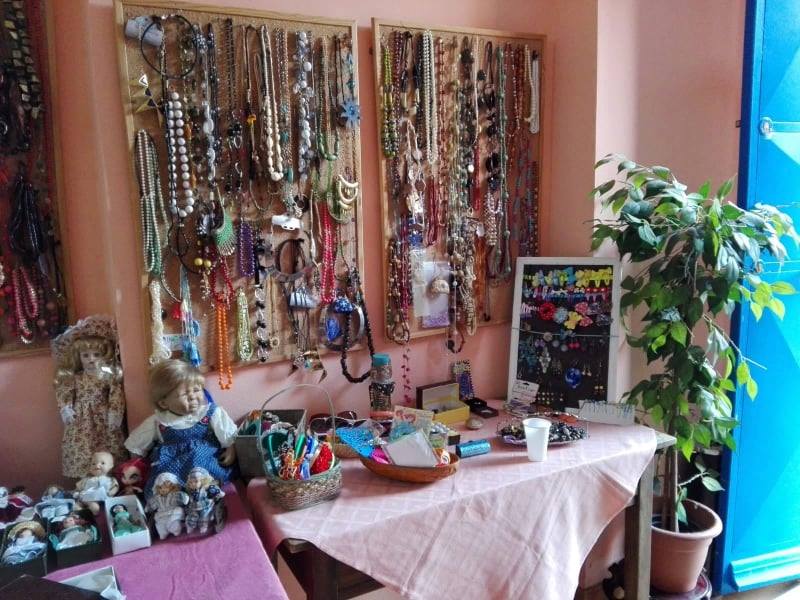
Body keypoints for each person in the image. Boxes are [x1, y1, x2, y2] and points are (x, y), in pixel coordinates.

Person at [125, 360, 237, 498]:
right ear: (164, 403)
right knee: (164, 481)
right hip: (172, 465)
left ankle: (205, 492)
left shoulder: (210, 413)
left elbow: (228, 436)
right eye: (184, 394)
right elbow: (136, 445)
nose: (193, 397)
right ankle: (174, 500)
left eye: (196, 390)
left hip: (205, 462)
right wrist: (135, 465)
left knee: (197, 456)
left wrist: (230, 449)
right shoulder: (160, 421)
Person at [52, 316, 127, 478]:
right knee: (83, 446)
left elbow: (115, 394)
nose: (91, 359)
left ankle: (110, 478)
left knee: (108, 444)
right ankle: (85, 480)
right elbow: (64, 392)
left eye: (96, 354)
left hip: (103, 416)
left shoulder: (108, 376)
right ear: (79, 357)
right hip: (81, 419)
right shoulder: (76, 377)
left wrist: (115, 412)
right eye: (85, 355)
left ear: (104, 355)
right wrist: (65, 408)